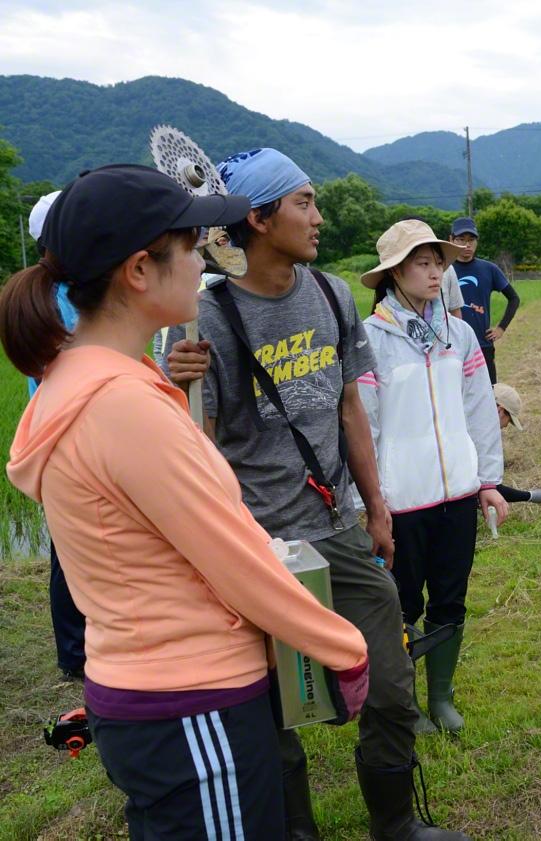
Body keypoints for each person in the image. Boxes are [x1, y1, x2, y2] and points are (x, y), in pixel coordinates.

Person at [2, 164, 370, 839]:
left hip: (155, 692)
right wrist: (342, 647)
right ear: (140, 269)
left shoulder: (83, 379)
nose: (206, 257)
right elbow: (233, 557)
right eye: (193, 243)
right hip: (191, 703)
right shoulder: (122, 406)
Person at [159, 149, 469, 841]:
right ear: (259, 218)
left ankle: (394, 822)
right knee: (268, 704)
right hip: (253, 540)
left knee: (389, 681)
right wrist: (176, 383)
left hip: (335, 524)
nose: (319, 217)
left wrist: (377, 508)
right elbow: (196, 443)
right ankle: (295, 830)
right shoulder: (207, 319)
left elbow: (350, 412)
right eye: (303, 203)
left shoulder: (330, 294)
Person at [356, 219, 508, 734]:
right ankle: (408, 704)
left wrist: (487, 479)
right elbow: (364, 424)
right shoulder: (371, 339)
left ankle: (441, 696)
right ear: (395, 272)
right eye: (423, 262)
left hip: (456, 492)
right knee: (401, 604)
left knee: (450, 596)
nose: (436, 270)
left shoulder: (457, 333)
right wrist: (367, 500)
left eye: (438, 261)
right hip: (401, 500)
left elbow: (479, 409)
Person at [23, 190, 88, 683]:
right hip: (66, 435)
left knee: (73, 548)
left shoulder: (69, 291)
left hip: (68, 432)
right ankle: (74, 654)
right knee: (68, 552)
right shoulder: (55, 299)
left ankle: (80, 647)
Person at [442, 217, 520, 383]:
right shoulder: (443, 269)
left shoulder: (488, 269)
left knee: (489, 394)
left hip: (482, 345)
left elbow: (514, 298)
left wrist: (501, 328)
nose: (467, 245)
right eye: (461, 239)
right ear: (451, 240)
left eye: (471, 240)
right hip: (451, 346)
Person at [492, 382, 541, 505]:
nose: (506, 425)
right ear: (500, 411)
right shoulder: (481, 442)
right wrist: (530, 496)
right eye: (509, 419)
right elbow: (491, 488)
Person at [400, 215, 463, 319]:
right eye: (424, 263)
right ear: (394, 271)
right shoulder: (376, 331)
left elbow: (455, 309)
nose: (436, 275)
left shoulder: (449, 270)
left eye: (439, 263)